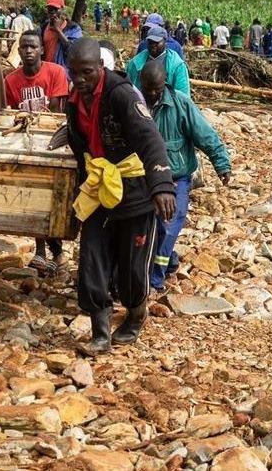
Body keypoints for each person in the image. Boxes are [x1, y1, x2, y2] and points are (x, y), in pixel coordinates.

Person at [65, 38, 175, 355]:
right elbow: (79, 141)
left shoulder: (122, 95)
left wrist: (162, 185)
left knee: (132, 264)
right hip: (99, 188)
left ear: (101, 68)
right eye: (74, 73)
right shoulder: (74, 100)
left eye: (87, 72)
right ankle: (100, 332)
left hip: (134, 191)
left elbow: (149, 137)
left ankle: (135, 316)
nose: (80, 80)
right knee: (92, 258)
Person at [138, 60, 230, 294]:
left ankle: (155, 279)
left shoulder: (180, 103)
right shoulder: (134, 104)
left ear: (164, 84)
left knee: (169, 225)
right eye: (147, 88)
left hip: (176, 178)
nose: (151, 93)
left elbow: (205, 134)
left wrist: (221, 163)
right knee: (148, 228)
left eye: (156, 89)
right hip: (144, 178)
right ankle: (169, 260)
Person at [4, 31, 71, 274]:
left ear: (41, 49)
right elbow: (12, 115)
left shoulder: (55, 73)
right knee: (31, 197)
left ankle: (56, 250)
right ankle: (43, 250)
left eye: (33, 46)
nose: (28, 51)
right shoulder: (11, 81)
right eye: (24, 47)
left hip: (51, 142)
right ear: (19, 51)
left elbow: (55, 111)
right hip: (25, 143)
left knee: (52, 199)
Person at [127, 25, 193, 96]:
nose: (153, 45)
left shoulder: (177, 65)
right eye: (150, 42)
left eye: (157, 42)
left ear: (165, 42)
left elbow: (183, 94)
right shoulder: (135, 63)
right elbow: (128, 88)